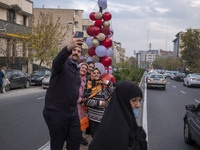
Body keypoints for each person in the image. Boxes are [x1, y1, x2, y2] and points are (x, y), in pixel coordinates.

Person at [43, 36, 84, 150]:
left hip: (72, 112)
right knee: (57, 144)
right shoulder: (62, 65)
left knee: (75, 141)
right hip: (56, 112)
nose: (76, 52)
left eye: (79, 51)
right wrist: (67, 48)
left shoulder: (76, 69)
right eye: (74, 50)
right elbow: (57, 60)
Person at [89, 81, 147, 150]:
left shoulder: (128, 122)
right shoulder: (112, 132)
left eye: (140, 100)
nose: (138, 105)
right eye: (134, 100)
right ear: (122, 102)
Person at [83, 68, 114, 138]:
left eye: (97, 73)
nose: (96, 74)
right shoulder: (89, 85)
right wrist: (99, 103)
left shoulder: (104, 84)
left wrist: (109, 84)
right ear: (92, 75)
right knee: (95, 137)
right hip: (94, 117)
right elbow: (85, 101)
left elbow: (112, 94)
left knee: (104, 137)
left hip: (105, 116)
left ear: (100, 75)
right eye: (94, 73)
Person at [77, 62, 89, 146]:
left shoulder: (86, 81)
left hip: (83, 107)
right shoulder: (75, 78)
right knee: (75, 126)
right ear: (79, 68)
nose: (84, 69)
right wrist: (81, 100)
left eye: (85, 68)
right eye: (82, 67)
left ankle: (78, 141)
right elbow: (72, 93)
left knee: (81, 124)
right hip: (76, 106)